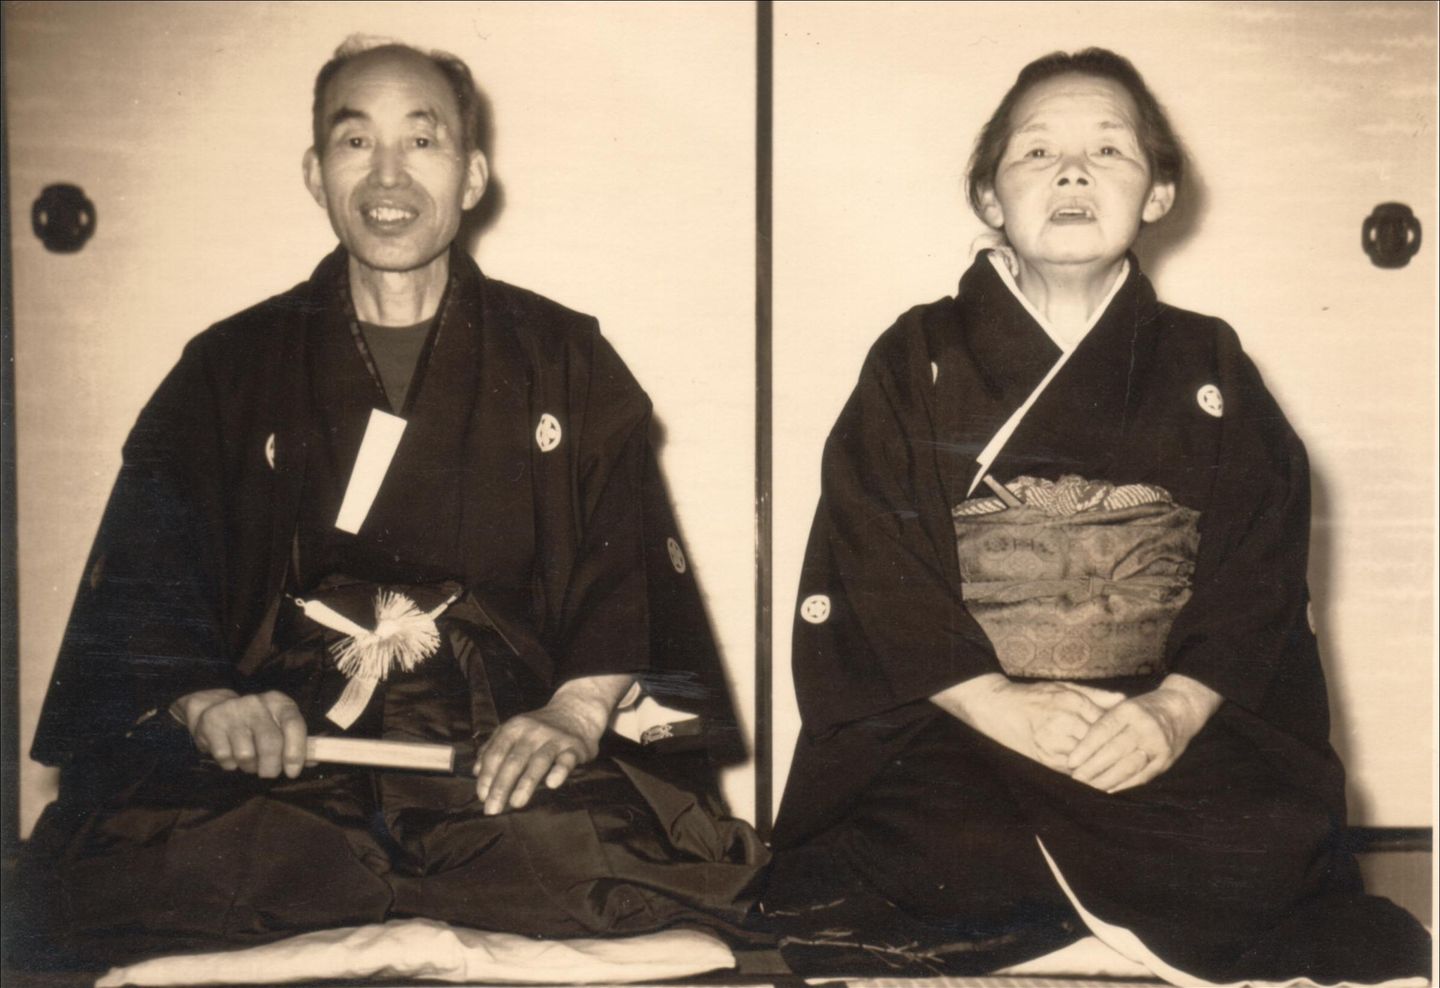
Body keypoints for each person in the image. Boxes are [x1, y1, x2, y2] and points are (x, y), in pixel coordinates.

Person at [19, 37, 765, 968]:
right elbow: (145, 576)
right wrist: (209, 704)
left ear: (472, 175)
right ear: (314, 171)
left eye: (422, 140)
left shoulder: (565, 359)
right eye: (355, 141)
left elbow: (629, 574)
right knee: (136, 869)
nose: (388, 175)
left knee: (633, 867)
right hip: (288, 741)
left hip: (497, 741)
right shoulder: (226, 366)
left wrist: (573, 716)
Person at [763, 48, 1431, 983]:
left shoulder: (1211, 362)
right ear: (989, 196)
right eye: (1037, 152)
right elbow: (871, 554)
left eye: (1109, 151)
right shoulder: (916, 354)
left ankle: (1045, 934)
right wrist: (996, 704)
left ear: (1159, 193)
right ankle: (1104, 929)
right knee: (917, 834)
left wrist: (1173, 713)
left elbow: (1259, 568)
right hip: (964, 721)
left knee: (1262, 838)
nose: (1073, 172)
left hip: (1153, 719)